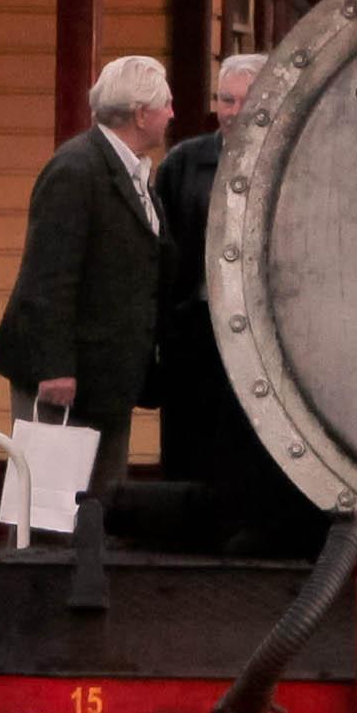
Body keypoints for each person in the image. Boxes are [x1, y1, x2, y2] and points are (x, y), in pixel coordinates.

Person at [0, 55, 175, 515]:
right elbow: (47, 274)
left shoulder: (133, 172)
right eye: (166, 105)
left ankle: (89, 586)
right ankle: (44, 587)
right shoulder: (76, 170)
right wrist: (54, 366)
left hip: (109, 375)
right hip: (68, 376)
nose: (172, 115)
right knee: (51, 509)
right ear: (141, 114)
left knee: (99, 508)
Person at [151, 51, 290, 525]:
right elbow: (161, 251)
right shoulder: (185, 164)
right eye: (223, 99)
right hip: (195, 327)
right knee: (191, 432)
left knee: (252, 435)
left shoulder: (289, 159)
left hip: (267, 332)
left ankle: (251, 526)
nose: (231, 111)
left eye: (242, 101)